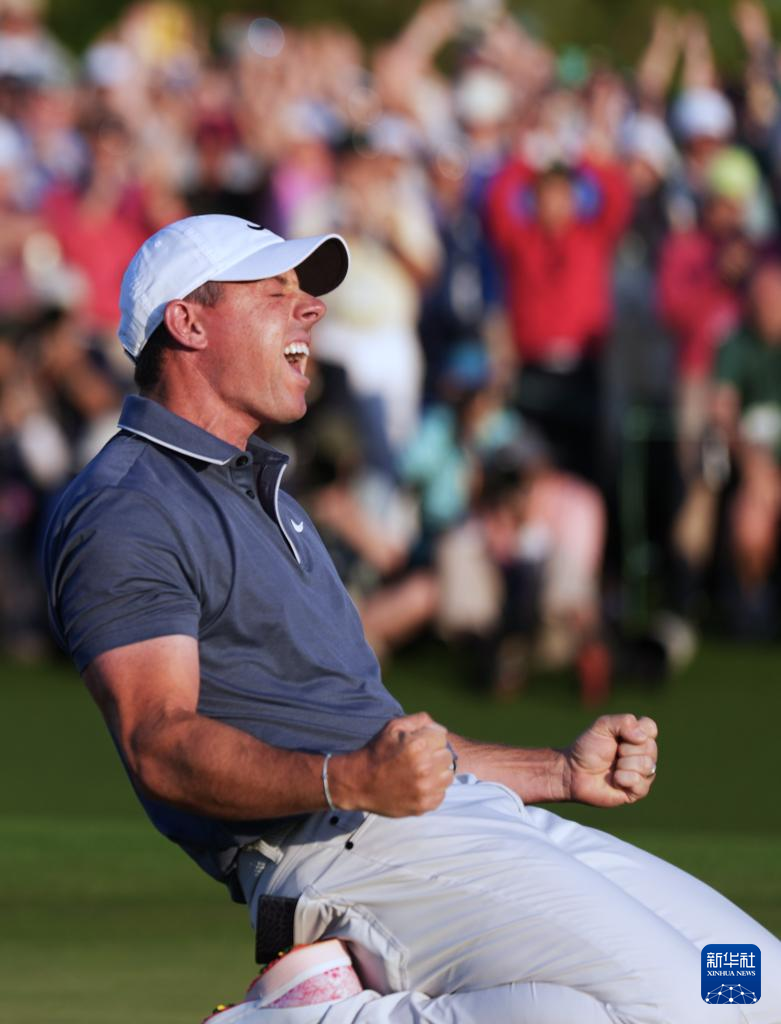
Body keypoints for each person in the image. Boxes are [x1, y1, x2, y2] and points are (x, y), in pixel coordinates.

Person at [44, 215, 780, 1023]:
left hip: (443, 820)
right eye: (275, 292)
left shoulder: (266, 494)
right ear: (188, 323)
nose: (311, 308)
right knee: (683, 1008)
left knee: (752, 984)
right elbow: (159, 744)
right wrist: (348, 780)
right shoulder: (126, 508)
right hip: (339, 853)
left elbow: (382, 745)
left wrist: (556, 773)